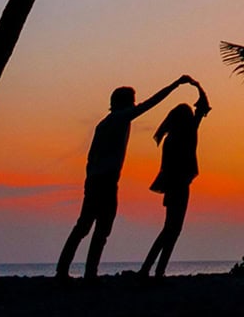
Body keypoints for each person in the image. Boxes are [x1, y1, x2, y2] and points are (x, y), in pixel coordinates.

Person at [56, 75, 195, 280]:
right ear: (124, 103)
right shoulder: (121, 118)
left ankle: (66, 270)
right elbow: (151, 103)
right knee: (101, 228)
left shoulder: (102, 124)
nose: (135, 104)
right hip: (106, 181)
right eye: (132, 100)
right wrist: (175, 85)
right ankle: (88, 273)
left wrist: (91, 177)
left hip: (95, 179)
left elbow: (91, 157)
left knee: (84, 225)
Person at [139, 78, 210, 278]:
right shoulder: (187, 133)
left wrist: (195, 86)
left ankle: (151, 269)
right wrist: (197, 86)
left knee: (169, 229)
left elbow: (201, 109)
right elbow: (204, 107)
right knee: (172, 230)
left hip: (171, 186)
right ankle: (154, 270)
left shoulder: (170, 139)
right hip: (179, 185)